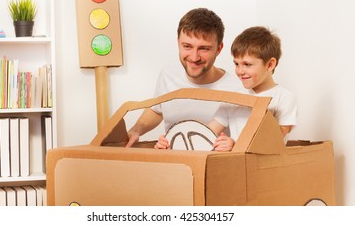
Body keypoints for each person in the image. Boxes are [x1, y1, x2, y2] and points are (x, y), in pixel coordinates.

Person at [155, 26, 297, 151]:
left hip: (267, 169)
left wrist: (235, 145)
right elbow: (207, 134)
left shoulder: (284, 98)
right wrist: (171, 143)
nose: (240, 71)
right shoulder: (233, 98)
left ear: (270, 64)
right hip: (236, 168)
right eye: (236, 64)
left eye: (247, 64)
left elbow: (275, 140)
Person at [125, 8, 242, 148]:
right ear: (178, 43)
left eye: (204, 48)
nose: (194, 57)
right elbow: (157, 110)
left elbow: (245, 137)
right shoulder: (168, 74)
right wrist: (136, 130)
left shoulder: (236, 89)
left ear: (219, 49)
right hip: (174, 164)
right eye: (187, 46)